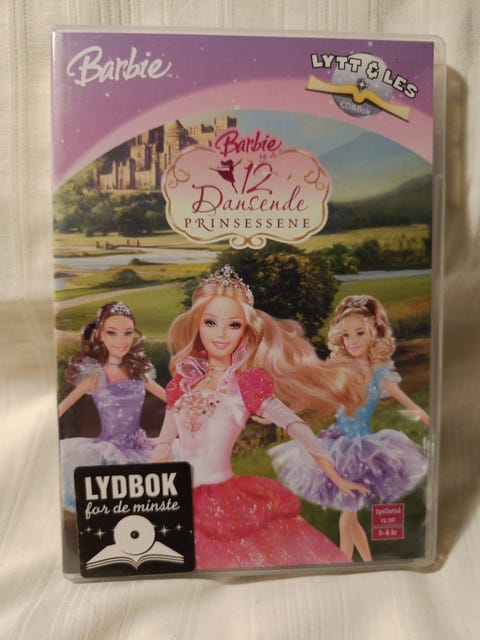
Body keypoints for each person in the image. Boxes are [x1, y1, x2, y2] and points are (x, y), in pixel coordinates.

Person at [152, 265, 369, 570]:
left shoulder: (245, 386)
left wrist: (335, 477)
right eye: (211, 322)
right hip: (175, 494)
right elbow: (164, 443)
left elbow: (296, 426)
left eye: (233, 325)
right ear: (197, 325)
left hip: (219, 497)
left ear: (246, 331)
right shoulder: (183, 382)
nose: (220, 334)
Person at [269, 295, 428, 562]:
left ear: (373, 335)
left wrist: (433, 424)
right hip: (337, 446)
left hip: (364, 452)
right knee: (350, 520)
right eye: (346, 335)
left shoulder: (380, 376)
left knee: (346, 520)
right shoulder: (340, 371)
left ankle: (343, 564)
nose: (352, 340)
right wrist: (278, 412)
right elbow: (315, 396)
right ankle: (367, 562)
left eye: (359, 333)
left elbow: (411, 405)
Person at [59, 301, 166, 510]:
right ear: (100, 335)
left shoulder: (138, 372)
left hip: (140, 450)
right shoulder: (95, 375)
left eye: (128, 333)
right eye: (112, 333)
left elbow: (172, 400)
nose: (121, 341)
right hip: (108, 453)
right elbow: (61, 408)